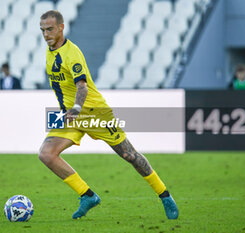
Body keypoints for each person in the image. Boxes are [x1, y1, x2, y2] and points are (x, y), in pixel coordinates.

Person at [38, 10, 179, 220]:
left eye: (50, 29)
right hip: (71, 116)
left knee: (129, 154)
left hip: (93, 112)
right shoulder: (50, 52)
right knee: (46, 154)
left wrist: (76, 108)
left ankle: (165, 196)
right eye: (42, 30)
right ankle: (88, 196)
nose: (46, 34)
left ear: (61, 27)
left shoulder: (72, 53)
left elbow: (82, 86)